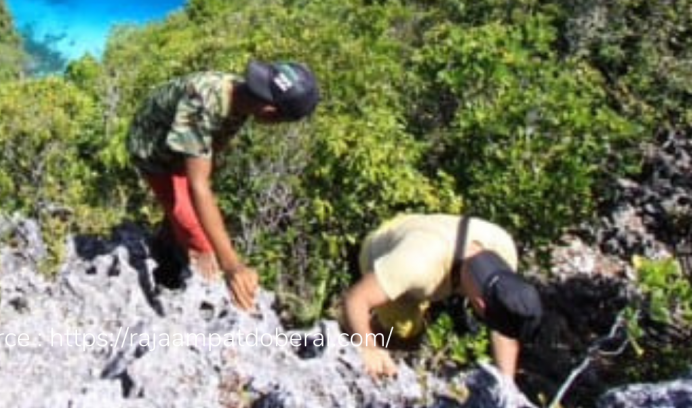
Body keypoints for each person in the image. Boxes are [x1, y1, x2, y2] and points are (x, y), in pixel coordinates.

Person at [126, 59, 320, 310]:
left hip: (182, 150)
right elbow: (198, 185)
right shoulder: (203, 101)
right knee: (202, 243)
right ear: (270, 112)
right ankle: (198, 300)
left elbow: (210, 151)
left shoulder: (244, 97)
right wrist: (231, 265)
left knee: (198, 217)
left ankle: (167, 247)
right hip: (153, 150)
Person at [342, 213, 543, 380]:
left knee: (413, 336)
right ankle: (341, 341)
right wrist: (368, 347)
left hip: (425, 247)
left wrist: (505, 386)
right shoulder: (417, 264)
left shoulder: (504, 251)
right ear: (480, 306)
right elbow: (355, 299)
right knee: (401, 335)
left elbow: (504, 334)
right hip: (383, 249)